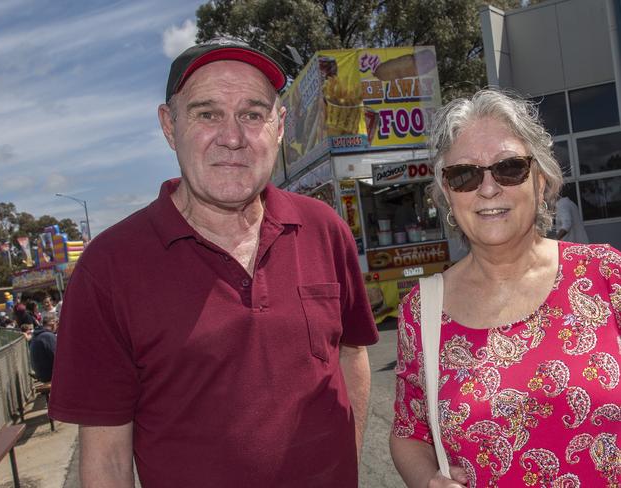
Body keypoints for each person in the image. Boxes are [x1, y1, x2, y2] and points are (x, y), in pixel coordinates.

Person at [49, 37, 378, 487]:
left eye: (252, 114)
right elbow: (106, 458)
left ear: (279, 126)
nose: (232, 137)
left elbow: (351, 352)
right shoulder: (108, 268)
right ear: (169, 126)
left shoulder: (324, 227)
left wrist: (349, 463)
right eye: (207, 114)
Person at [390, 89, 621, 487]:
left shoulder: (605, 274)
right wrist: (429, 480)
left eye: (509, 168)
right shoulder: (422, 310)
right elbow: (409, 433)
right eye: (464, 175)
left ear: (541, 179)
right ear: (447, 194)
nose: (488, 188)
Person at [30, 314, 57, 383]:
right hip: (48, 376)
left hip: (40, 374)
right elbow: (56, 357)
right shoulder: (48, 336)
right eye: (57, 323)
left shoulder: (37, 335)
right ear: (53, 323)